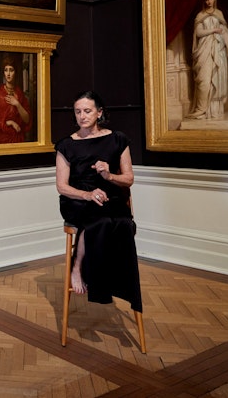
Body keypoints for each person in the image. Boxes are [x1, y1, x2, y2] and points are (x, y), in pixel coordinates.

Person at [54, 90, 142, 313]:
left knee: (123, 223)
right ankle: (77, 267)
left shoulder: (118, 139)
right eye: (77, 112)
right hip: (78, 200)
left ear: (99, 112)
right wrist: (87, 194)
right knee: (97, 222)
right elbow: (62, 186)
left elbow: (129, 179)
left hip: (111, 197)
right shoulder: (66, 145)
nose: (82, 116)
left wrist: (109, 176)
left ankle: (122, 285)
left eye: (87, 111)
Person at [186, 0, 228, 120]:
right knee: (204, 81)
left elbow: (225, 32)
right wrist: (214, 29)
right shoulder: (200, 15)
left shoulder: (219, 13)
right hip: (204, 50)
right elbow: (199, 33)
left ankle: (213, 112)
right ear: (204, 1)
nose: (209, 1)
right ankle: (201, 110)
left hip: (218, 50)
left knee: (217, 79)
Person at [0, 55, 31, 144]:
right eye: (6, 70)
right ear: (3, 72)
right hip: (3, 140)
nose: (8, 73)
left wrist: (17, 104)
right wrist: (11, 122)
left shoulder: (19, 93)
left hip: (18, 139)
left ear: (15, 72)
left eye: (11, 70)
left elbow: (27, 119)